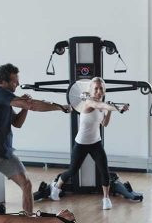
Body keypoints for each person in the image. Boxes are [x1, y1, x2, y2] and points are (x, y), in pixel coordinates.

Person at [0, 63, 71, 223]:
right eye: (14, 81)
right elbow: (34, 105)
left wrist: (24, 107)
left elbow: (17, 123)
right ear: (3, 82)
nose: (17, 83)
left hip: (4, 153)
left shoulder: (6, 99)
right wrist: (59, 107)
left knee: (26, 184)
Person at [49, 77, 128, 209]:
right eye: (95, 88)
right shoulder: (89, 102)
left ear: (104, 90)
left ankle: (106, 199)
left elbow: (104, 124)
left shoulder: (103, 105)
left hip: (96, 142)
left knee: (104, 171)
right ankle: (56, 187)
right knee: (72, 171)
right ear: (90, 90)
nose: (98, 91)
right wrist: (117, 107)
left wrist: (110, 111)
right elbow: (99, 105)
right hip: (81, 143)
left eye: (101, 88)